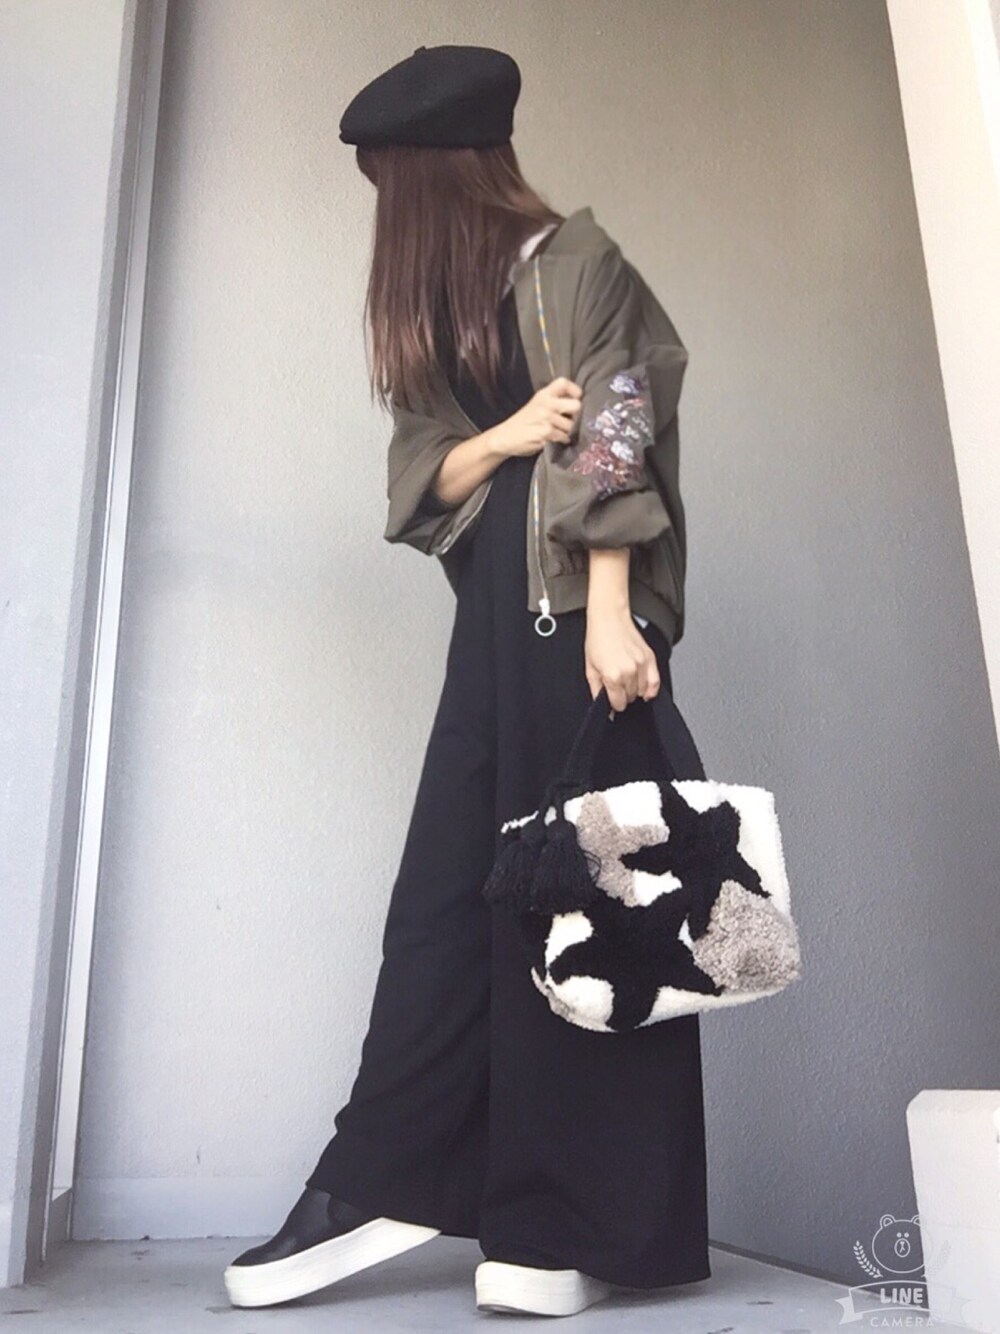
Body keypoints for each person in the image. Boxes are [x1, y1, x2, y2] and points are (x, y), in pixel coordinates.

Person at [223, 43, 710, 1319]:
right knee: (447, 903)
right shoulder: (448, 303)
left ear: (442, 173)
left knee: (592, 914)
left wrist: (614, 613)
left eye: (396, 183)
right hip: (492, 625)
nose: (389, 212)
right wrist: (505, 431)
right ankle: (392, 1175)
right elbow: (424, 478)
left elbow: (617, 431)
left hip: (578, 620)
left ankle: (567, 1230)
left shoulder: (579, 262)